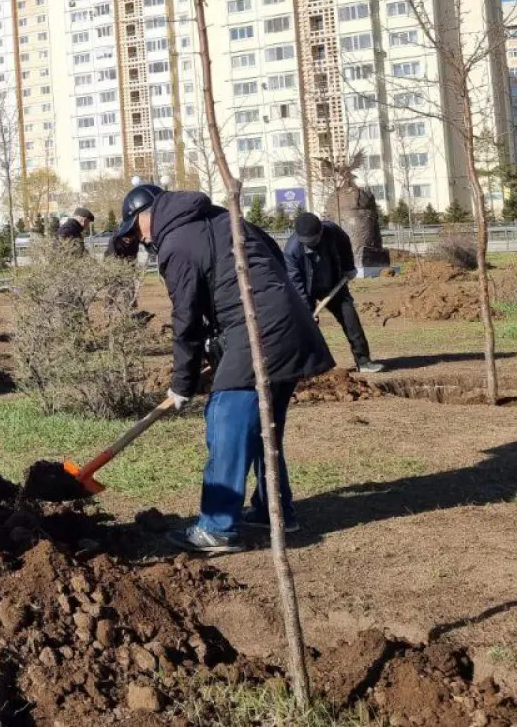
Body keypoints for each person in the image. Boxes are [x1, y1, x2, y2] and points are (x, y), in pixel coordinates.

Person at [111, 184, 333, 554]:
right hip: (288, 323)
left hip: (258, 328)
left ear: (147, 213)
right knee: (265, 426)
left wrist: (182, 383)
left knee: (225, 418)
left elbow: (186, 320)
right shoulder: (219, 217)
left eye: (136, 229)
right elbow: (269, 257)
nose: (140, 238)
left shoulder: (175, 243)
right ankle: (272, 511)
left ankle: (217, 526)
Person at [285, 212, 382, 374]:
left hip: (334, 284)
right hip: (306, 291)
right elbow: (296, 282)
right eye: (306, 242)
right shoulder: (291, 251)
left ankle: (363, 360)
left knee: (350, 319)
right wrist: (307, 311)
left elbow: (345, 244)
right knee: (309, 327)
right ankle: (312, 367)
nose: (310, 244)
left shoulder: (332, 231)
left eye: (313, 240)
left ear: (320, 232)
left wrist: (348, 267)